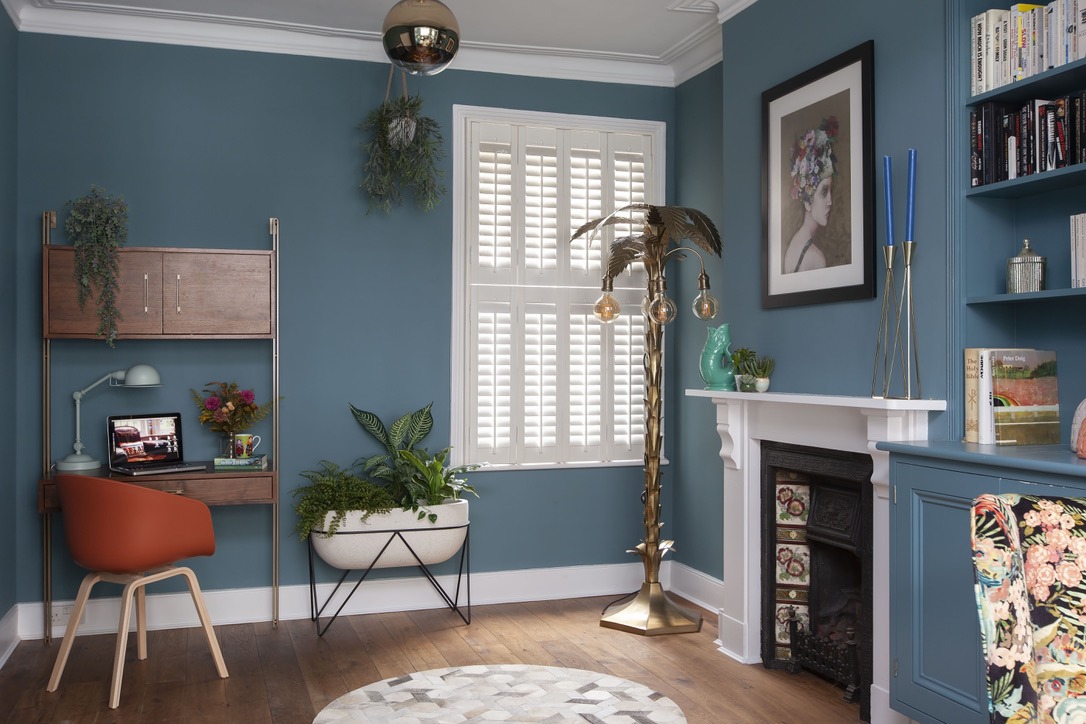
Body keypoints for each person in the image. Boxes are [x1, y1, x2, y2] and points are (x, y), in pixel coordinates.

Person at [784, 116, 838, 274]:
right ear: (807, 202)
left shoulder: (795, 242)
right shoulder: (816, 258)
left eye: (830, 191)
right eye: (824, 192)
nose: (830, 202)